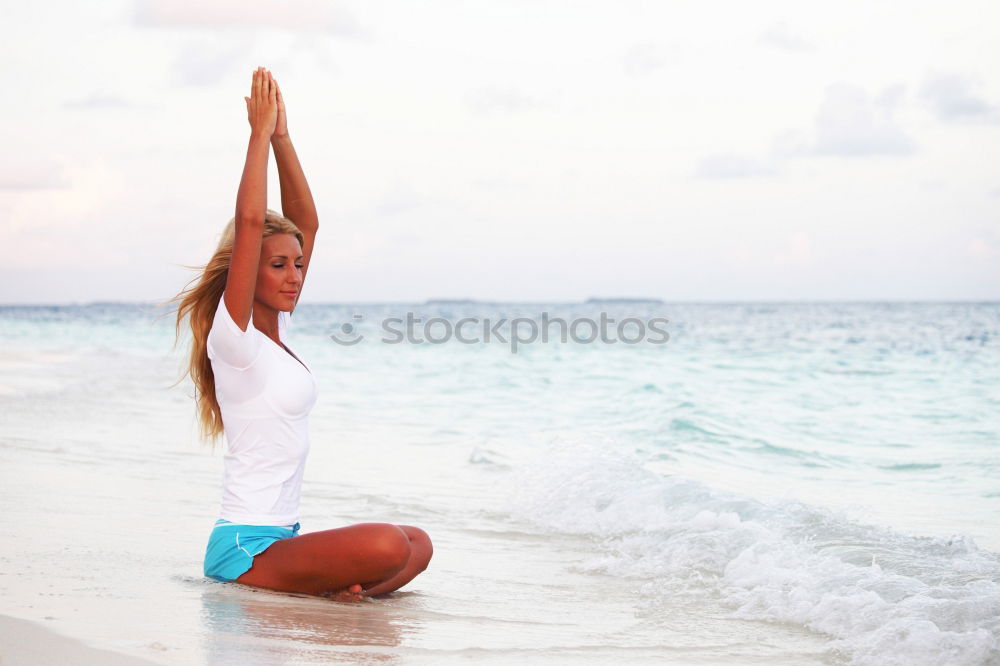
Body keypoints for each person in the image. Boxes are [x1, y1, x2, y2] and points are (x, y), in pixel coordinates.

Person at [167, 67, 432, 602]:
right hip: (243, 548)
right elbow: (247, 224)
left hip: (283, 537)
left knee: (417, 543)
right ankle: (324, 589)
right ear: (248, 270)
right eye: (278, 265)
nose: (294, 276)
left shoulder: (279, 331)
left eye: (299, 264)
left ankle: (332, 593)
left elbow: (306, 221)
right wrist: (257, 138)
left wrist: (285, 137)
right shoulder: (234, 342)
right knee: (386, 545)